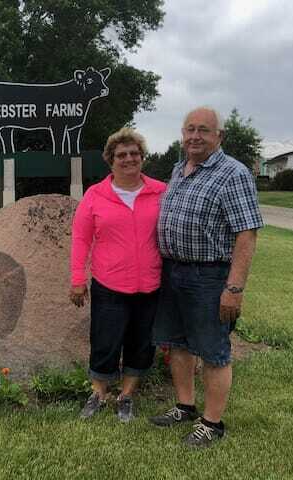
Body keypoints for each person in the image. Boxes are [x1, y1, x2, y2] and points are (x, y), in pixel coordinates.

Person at [150, 107, 263, 447]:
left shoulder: (233, 173)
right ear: (182, 134)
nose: (195, 136)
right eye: (189, 129)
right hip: (172, 271)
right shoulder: (179, 168)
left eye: (204, 130)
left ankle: (212, 423)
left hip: (209, 276)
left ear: (219, 136)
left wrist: (235, 287)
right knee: (179, 345)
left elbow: (247, 233)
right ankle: (185, 406)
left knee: (214, 352)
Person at [70, 127, 166, 421]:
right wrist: (77, 279)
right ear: (110, 160)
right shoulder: (95, 195)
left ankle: (126, 396)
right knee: (104, 341)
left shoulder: (160, 191)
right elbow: (81, 238)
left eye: (134, 153)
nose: (128, 159)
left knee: (141, 343)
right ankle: (98, 393)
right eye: (121, 155)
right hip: (109, 283)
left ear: (142, 158)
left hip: (150, 283)